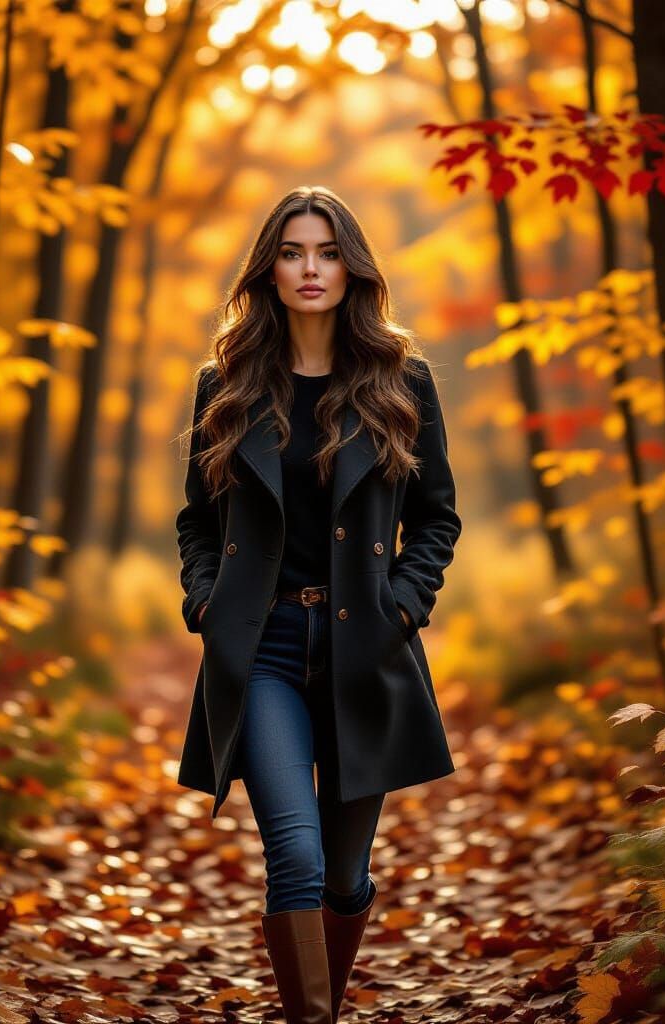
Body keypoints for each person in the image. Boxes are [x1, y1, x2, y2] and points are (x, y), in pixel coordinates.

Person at [175, 186, 461, 1022]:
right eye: (294, 251)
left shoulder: (399, 379)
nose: (311, 268)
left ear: (352, 268)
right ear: (269, 268)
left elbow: (437, 515)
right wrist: (206, 603)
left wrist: (404, 604)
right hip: (259, 647)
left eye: (328, 251)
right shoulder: (223, 385)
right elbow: (197, 520)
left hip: (362, 646)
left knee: (343, 877)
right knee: (293, 858)